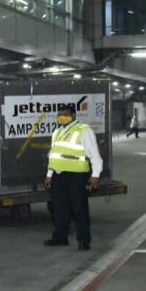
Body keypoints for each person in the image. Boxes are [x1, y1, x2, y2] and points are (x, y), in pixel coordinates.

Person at [44, 106, 103, 251]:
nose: (62, 116)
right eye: (60, 114)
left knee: (79, 209)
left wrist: (95, 175)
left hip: (76, 176)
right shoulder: (57, 132)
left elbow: (94, 154)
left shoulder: (83, 130)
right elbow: (53, 155)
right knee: (59, 209)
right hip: (58, 176)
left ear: (74, 115)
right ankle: (60, 237)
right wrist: (49, 175)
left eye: (65, 114)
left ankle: (84, 240)